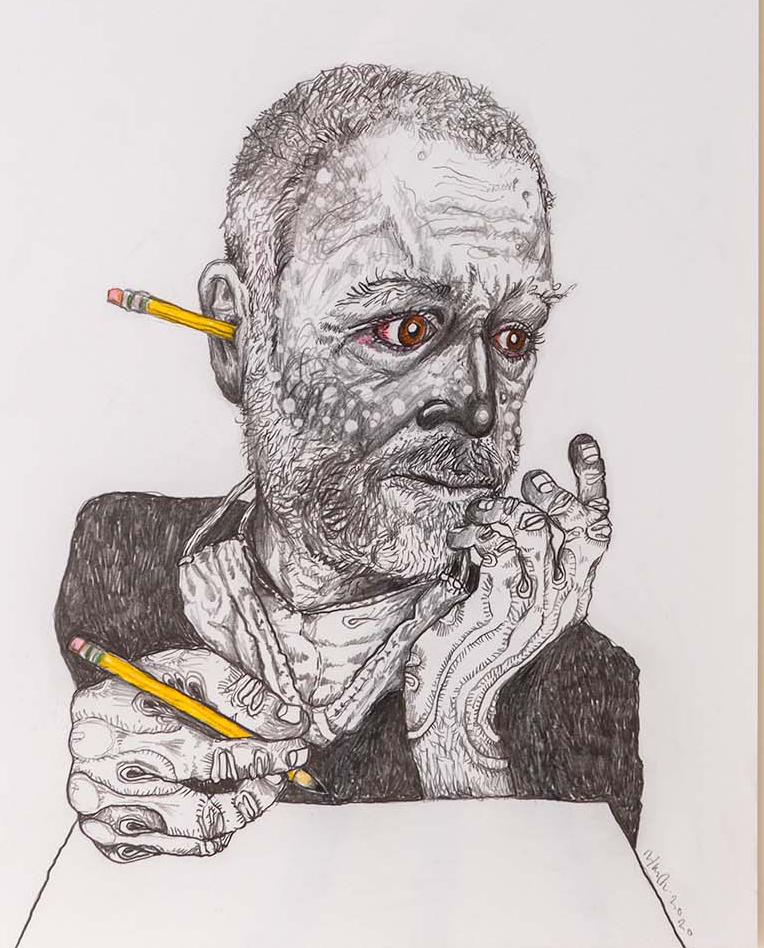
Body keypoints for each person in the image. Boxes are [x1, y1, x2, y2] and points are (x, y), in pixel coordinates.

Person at [56, 63, 641, 864]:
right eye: (406, 331)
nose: (479, 404)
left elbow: (557, 939)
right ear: (238, 339)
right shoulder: (119, 560)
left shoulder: (573, 686)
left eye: (512, 338)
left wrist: (459, 727)